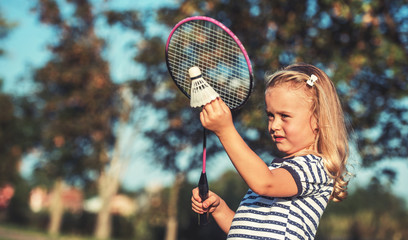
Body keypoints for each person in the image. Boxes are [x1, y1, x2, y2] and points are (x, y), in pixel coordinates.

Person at [191, 63, 350, 239]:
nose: (274, 125)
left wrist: (225, 130)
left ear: (318, 119)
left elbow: (264, 183)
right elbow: (245, 231)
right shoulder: (273, 172)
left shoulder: (315, 168)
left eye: (285, 116)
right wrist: (219, 209)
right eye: (271, 116)